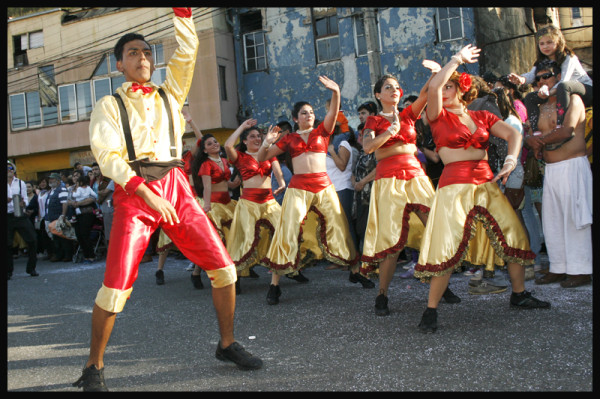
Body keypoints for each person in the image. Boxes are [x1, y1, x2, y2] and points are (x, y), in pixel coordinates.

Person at [74, 8, 262, 392]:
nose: (142, 58)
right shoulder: (109, 105)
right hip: (134, 192)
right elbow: (108, 157)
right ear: (118, 64)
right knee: (115, 287)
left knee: (224, 269)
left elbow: (189, 49)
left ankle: (226, 344)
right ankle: (93, 366)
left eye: (146, 52)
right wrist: (144, 192)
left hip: (176, 184)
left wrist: (183, 14)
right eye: (133, 54)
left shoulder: (170, 92)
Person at [414, 44, 551, 334]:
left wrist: (512, 159)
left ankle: (519, 294)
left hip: (486, 182)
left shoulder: (481, 117)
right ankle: (431, 309)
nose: (445, 89)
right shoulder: (438, 115)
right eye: (445, 86)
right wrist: (455, 60)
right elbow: (434, 88)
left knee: (513, 234)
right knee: (446, 246)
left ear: (462, 91)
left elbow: (514, 133)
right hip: (454, 186)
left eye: (452, 86)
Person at [258, 75, 374, 304]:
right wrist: (266, 142)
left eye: (311, 112)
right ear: (295, 118)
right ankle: (274, 285)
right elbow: (262, 158)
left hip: (323, 186)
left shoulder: (323, 132)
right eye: (303, 112)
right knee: (287, 230)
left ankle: (355, 272)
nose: (309, 115)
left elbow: (333, 112)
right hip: (299, 188)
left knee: (340, 228)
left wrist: (336, 91)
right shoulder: (288, 138)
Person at [359, 64, 444, 317]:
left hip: (416, 175)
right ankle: (382, 294)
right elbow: (368, 148)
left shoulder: (408, 114)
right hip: (388, 180)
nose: (394, 90)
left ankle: (440, 281)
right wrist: (391, 131)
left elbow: (426, 95)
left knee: (435, 227)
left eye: (397, 87)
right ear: (378, 95)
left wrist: (435, 73)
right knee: (393, 244)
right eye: (388, 87)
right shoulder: (373, 120)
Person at [525, 61, 592, 288]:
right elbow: (527, 133)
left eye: (547, 76)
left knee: (575, 219)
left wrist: (539, 141)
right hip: (551, 171)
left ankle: (581, 269)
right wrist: (530, 140)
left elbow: (567, 131)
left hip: (572, 166)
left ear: (559, 76)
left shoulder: (573, 99)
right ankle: (559, 267)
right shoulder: (540, 107)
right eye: (539, 79)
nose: (543, 82)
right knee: (552, 221)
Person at [224, 119, 286, 295]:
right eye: (252, 136)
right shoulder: (240, 156)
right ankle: (236, 278)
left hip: (269, 201)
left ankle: (279, 279)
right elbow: (228, 145)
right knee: (244, 240)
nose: (257, 139)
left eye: (259, 136)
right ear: (244, 141)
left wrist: (281, 182)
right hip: (248, 203)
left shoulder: (267, 153)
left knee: (282, 233)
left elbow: (277, 171)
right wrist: (242, 127)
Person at [508, 24, 593, 132]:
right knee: (530, 97)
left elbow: (565, 80)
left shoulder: (569, 58)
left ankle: (560, 123)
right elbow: (531, 75)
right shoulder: (541, 62)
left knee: (564, 86)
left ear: (559, 42)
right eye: (541, 44)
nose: (545, 47)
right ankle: (535, 130)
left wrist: (548, 92)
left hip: (585, 89)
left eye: (549, 42)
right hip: (561, 91)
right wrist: (521, 79)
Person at [189, 133, 239, 289]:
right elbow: (208, 187)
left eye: (215, 142)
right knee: (214, 243)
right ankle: (196, 272)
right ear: (204, 150)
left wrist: (236, 182)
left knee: (232, 240)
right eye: (209, 144)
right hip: (215, 205)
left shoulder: (224, 160)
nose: (214, 144)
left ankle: (233, 275)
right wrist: (207, 206)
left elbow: (227, 183)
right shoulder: (206, 165)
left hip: (228, 203)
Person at [7, 162, 39, 279]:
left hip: (20, 215)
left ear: (14, 170)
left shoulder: (20, 183)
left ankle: (31, 268)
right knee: (7, 245)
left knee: (32, 240)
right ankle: (8, 271)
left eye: (10, 168)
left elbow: (25, 198)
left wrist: (23, 203)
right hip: (7, 217)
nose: (8, 170)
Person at [351, 122, 377, 255]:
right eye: (360, 135)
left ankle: (372, 258)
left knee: (368, 227)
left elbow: (379, 169)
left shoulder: (376, 152)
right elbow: (355, 172)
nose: (360, 138)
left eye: (363, 135)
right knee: (361, 227)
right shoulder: (362, 153)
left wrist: (363, 182)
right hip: (360, 195)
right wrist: (355, 181)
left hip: (370, 193)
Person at [68, 174, 98, 264]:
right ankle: (86, 255)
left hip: (87, 213)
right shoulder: (72, 189)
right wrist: (74, 203)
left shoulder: (87, 188)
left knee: (85, 234)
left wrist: (79, 203)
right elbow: (68, 201)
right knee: (79, 235)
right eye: (75, 177)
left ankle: (91, 256)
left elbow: (92, 199)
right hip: (76, 214)